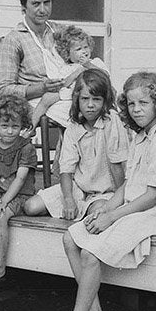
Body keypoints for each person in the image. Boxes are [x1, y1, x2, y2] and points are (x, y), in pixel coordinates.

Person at [44, 71, 156, 311]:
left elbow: (151, 196)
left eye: (144, 104)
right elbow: (127, 184)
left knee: (91, 254)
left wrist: (112, 216)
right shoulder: (140, 136)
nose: (136, 110)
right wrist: (106, 208)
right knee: (70, 238)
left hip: (150, 211)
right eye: (132, 104)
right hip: (128, 205)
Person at [22, 68, 127, 222]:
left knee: (97, 213)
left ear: (105, 101)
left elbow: (116, 165)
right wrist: (69, 199)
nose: (90, 105)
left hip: (106, 192)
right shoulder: (73, 127)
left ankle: (86, 213)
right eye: (85, 99)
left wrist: (119, 201)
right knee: (31, 207)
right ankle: (78, 209)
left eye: (96, 99)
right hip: (79, 189)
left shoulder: (111, 121)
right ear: (77, 99)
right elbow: (66, 169)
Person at [0, 95, 38, 287]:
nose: (10, 131)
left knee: (0, 216)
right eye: (4, 126)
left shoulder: (25, 148)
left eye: (15, 127)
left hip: (17, 195)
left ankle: (1, 264)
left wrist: (3, 201)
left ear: (22, 126)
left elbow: (19, 179)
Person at [0, 0, 68, 113]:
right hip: (38, 103)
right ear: (24, 6)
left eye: (47, 3)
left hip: (67, 96)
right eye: (36, 4)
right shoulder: (14, 39)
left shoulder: (60, 31)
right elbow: (5, 89)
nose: (43, 10)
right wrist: (42, 88)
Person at [27, 24, 111, 131]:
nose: (84, 51)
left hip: (88, 93)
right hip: (69, 93)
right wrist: (75, 73)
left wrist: (88, 66)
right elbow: (64, 84)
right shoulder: (67, 68)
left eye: (86, 47)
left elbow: (106, 76)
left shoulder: (95, 62)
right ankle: (31, 127)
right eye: (78, 49)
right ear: (68, 53)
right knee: (46, 98)